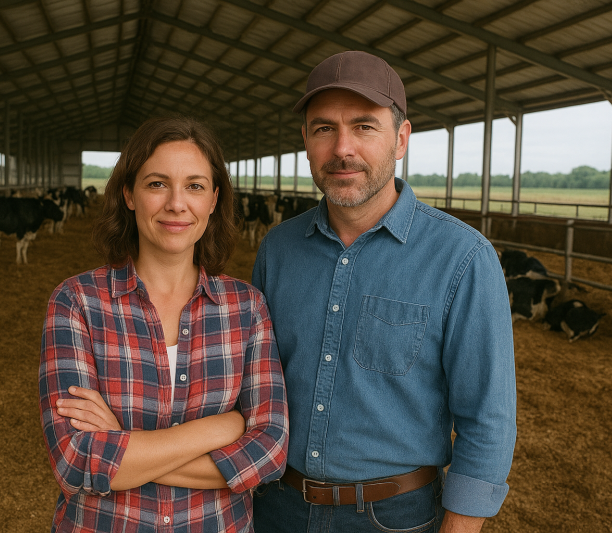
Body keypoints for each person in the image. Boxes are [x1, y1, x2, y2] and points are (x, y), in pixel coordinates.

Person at [251, 51, 516, 533]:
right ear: (306, 141)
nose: (342, 148)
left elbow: (486, 418)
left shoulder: (462, 258)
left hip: (393, 516)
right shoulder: (278, 250)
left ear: (401, 138)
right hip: (274, 505)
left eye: (365, 127)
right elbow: (246, 382)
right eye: (324, 128)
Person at [39, 116, 288, 533]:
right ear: (129, 194)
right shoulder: (76, 302)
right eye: (157, 184)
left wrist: (123, 442)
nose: (176, 203)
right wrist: (222, 427)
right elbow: (76, 460)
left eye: (194, 185)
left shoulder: (246, 308)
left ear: (213, 199)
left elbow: (269, 452)